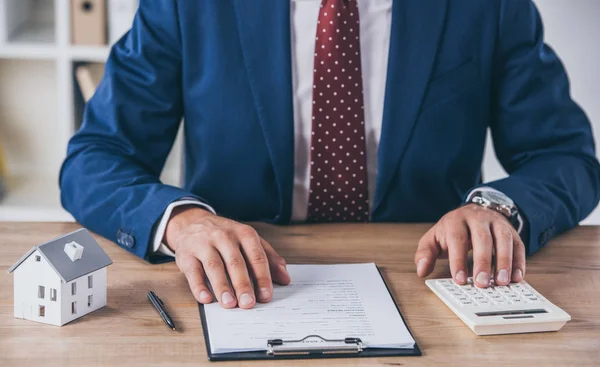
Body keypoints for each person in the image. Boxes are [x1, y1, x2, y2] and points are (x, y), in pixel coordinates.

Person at [60, 0, 600, 310]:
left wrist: (499, 208)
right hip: (238, 294)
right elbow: (95, 157)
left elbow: (565, 156)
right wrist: (182, 222)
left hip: (438, 290)